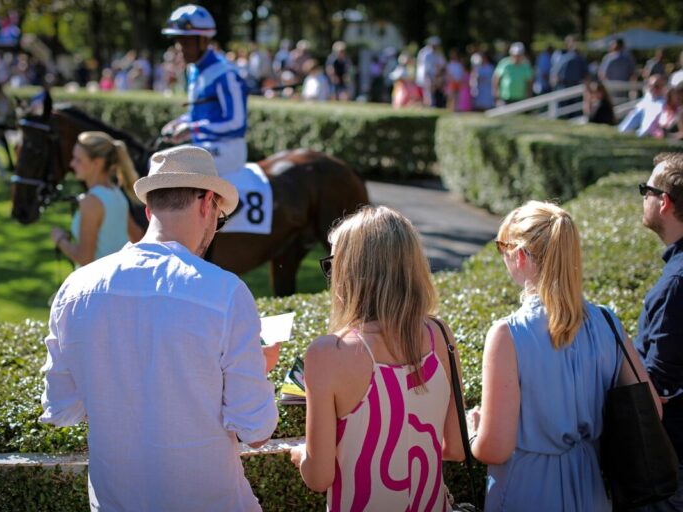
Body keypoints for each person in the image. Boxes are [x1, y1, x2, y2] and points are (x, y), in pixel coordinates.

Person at [40, 145, 280, 511]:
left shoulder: (75, 289)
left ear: (150, 211)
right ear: (207, 203)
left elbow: (61, 408)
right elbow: (257, 431)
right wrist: (256, 367)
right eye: (219, 217)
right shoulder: (226, 293)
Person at [467, 200, 661, 511]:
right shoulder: (608, 322)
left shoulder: (507, 334)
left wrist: (473, 431)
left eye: (503, 248)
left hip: (526, 491)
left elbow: (495, 450)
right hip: (592, 488)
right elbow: (651, 410)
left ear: (520, 256)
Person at [290, 206, 465, 511]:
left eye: (333, 264)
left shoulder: (328, 353)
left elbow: (319, 477)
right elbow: (457, 448)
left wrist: (302, 453)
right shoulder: (440, 334)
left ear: (350, 272)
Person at [634, 152, 683, 511]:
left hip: (671, 463)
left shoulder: (676, 283)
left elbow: (660, 385)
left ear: (664, 202)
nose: (644, 198)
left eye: (645, 191)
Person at [160, 4, 249, 177]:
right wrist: (179, 123)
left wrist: (192, 129)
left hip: (228, 150)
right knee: (157, 160)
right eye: (178, 42)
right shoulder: (193, 70)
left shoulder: (226, 73)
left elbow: (237, 123)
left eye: (186, 43)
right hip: (204, 146)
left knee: (171, 166)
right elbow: (201, 115)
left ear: (203, 41)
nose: (180, 49)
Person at [50, 131, 143, 267]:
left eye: (78, 160)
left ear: (97, 163)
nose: (72, 164)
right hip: (118, 275)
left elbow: (85, 259)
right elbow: (138, 236)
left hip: (97, 280)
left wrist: (60, 239)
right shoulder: (117, 193)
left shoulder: (91, 202)